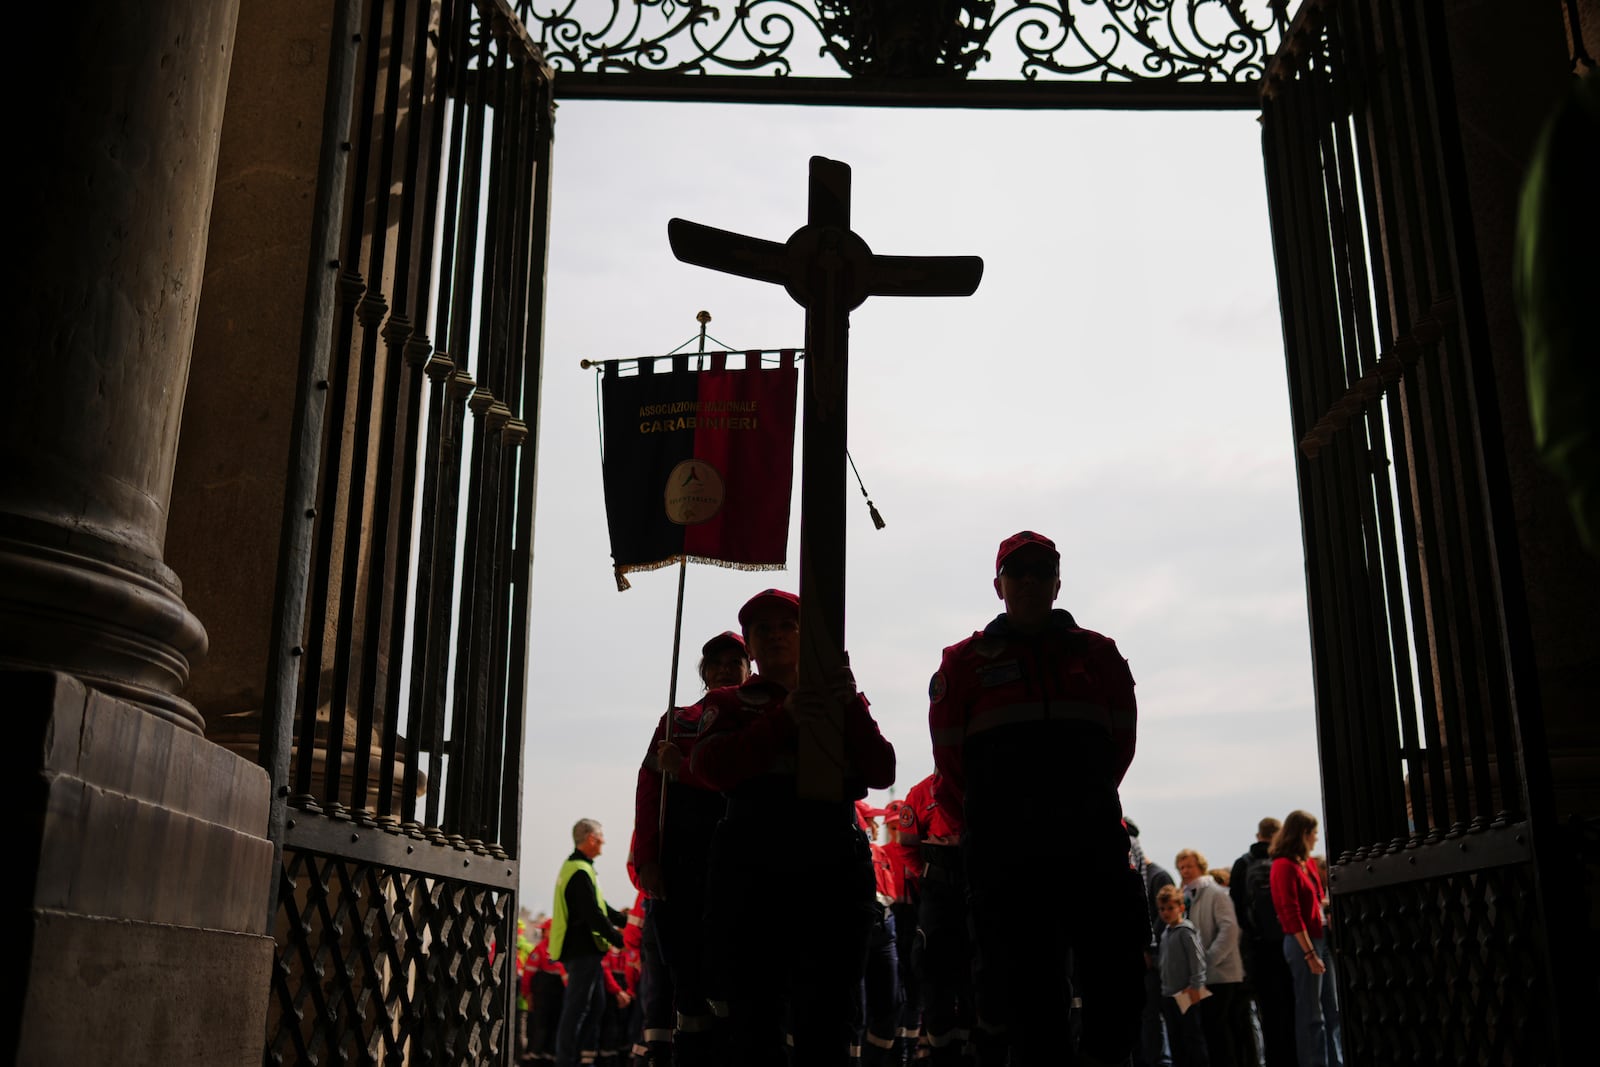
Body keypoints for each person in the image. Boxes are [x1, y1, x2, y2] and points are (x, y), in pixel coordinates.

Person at [929, 530, 1146, 1066]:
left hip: (1092, 850)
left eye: (1040, 571)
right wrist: (1000, 821)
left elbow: (1121, 746)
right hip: (1009, 863)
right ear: (998, 585)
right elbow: (950, 764)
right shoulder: (964, 663)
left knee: (1117, 992)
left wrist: (1077, 807)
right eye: (1017, 572)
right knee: (1030, 1006)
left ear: (1057, 583)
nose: (1028, 581)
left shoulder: (1099, 654)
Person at [689, 588, 896, 1066]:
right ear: (750, 646)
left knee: (828, 1017)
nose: (777, 636)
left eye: (788, 626)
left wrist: (851, 707)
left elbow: (882, 771)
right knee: (755, 1019)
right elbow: (710, 767)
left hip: (831, 871)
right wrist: (784, 719)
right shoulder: (730, 701)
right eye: (764, 630)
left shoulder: (843, 699)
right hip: (753, 874)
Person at [633, 630, 750, 1066]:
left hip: (744, 867)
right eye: (716, 662)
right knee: (687, 982)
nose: (724, 668)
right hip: (683, 867)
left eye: (734, 661)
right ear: (703, 673)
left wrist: (683, 769)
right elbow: (648, 792)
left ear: (749, 667)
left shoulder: (762, 717)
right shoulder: (676, 721)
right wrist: (646, 859)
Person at [902, 770, 972, 1066]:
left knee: (976, 975)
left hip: (974, 892)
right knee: (934, 974)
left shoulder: (980, 787)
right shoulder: (919, 794)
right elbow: (908, 847)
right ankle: (944, 1056)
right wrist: (931, 875)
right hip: (937, 898)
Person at [551, 819, 629, 1067]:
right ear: (592, 839)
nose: (604, 841)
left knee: (595, 1007)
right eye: (602, 836)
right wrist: (619, 939)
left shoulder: (580, 868)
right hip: (582, 950)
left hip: (587, 951)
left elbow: (601, 907)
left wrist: (625, 922)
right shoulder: (579, 871)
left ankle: (581, 1059)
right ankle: (565, 1061)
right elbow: (593, 914)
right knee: (577, 1009)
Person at [1269, 811, 1341, 1067]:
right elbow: (1290, 912)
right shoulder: (1283, 866)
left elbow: (1314, 900)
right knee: (1312, 1013)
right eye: (1313, 832)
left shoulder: (1306, 864)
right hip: (1303, 943)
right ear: (1303, 834)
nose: (1316, 837)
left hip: (1318, 938)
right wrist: (1309, 952)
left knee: (1331, 1010)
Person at [1175, 849, 1248, 1067]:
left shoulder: (1215, 893)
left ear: (1200, 866)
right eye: (1181, 867)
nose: (1185, 871)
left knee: (1220, 1029)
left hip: (1221, 974)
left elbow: (1229, 929)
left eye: (1189, 866)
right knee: (1211, 1029)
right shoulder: (1188, 894)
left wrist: (1206, 960)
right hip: (1203, 975)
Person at [1231, 818, 1295, 1067]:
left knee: (1267, 1011)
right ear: (1278, 835)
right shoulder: (1285, 861)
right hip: (1287, 945)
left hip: (1258, 950)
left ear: (1258, 835)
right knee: (1290, 1009)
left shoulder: (1242, 865)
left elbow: (1238, 911)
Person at [1127, 820, 1174, 1067]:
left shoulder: (1157, 876)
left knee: (1152, 1014)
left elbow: (1161, 918)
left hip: (1156, 960)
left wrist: (1147, 947)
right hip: (1141, 957)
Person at [1155, 885, 1210, 1067]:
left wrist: (1195, 986)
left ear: (1181, 907)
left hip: (1186, 994)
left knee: (1192, 1039)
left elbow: (1197, 962)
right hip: (1169, 994)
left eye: (1170, 908)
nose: (1166, 913)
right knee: (1175, 1040)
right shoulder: (1165, 933)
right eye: (1162, 909)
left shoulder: (1185, 932)